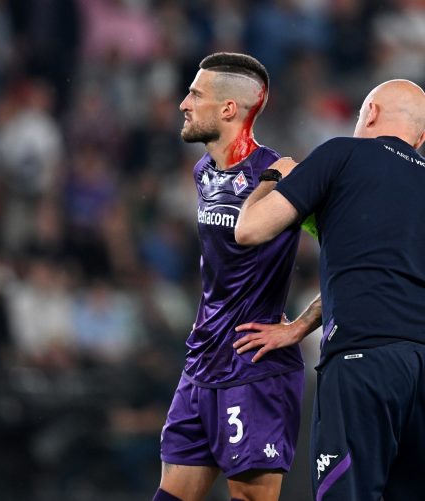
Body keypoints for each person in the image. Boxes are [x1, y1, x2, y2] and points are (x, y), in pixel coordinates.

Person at [233, 79, 425, 500]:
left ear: (370, 113)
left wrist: (271, 176)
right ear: (420, 138)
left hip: (362, 361)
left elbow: (249, 230)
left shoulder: (341, 155)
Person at [154, 53, 305, 501]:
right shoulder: (203, 172)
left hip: (253, 366)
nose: (183, 104)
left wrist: (301, 325)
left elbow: (346, 255)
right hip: (202, 361)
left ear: (228, 109)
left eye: (195, 94)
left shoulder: (282, 176)